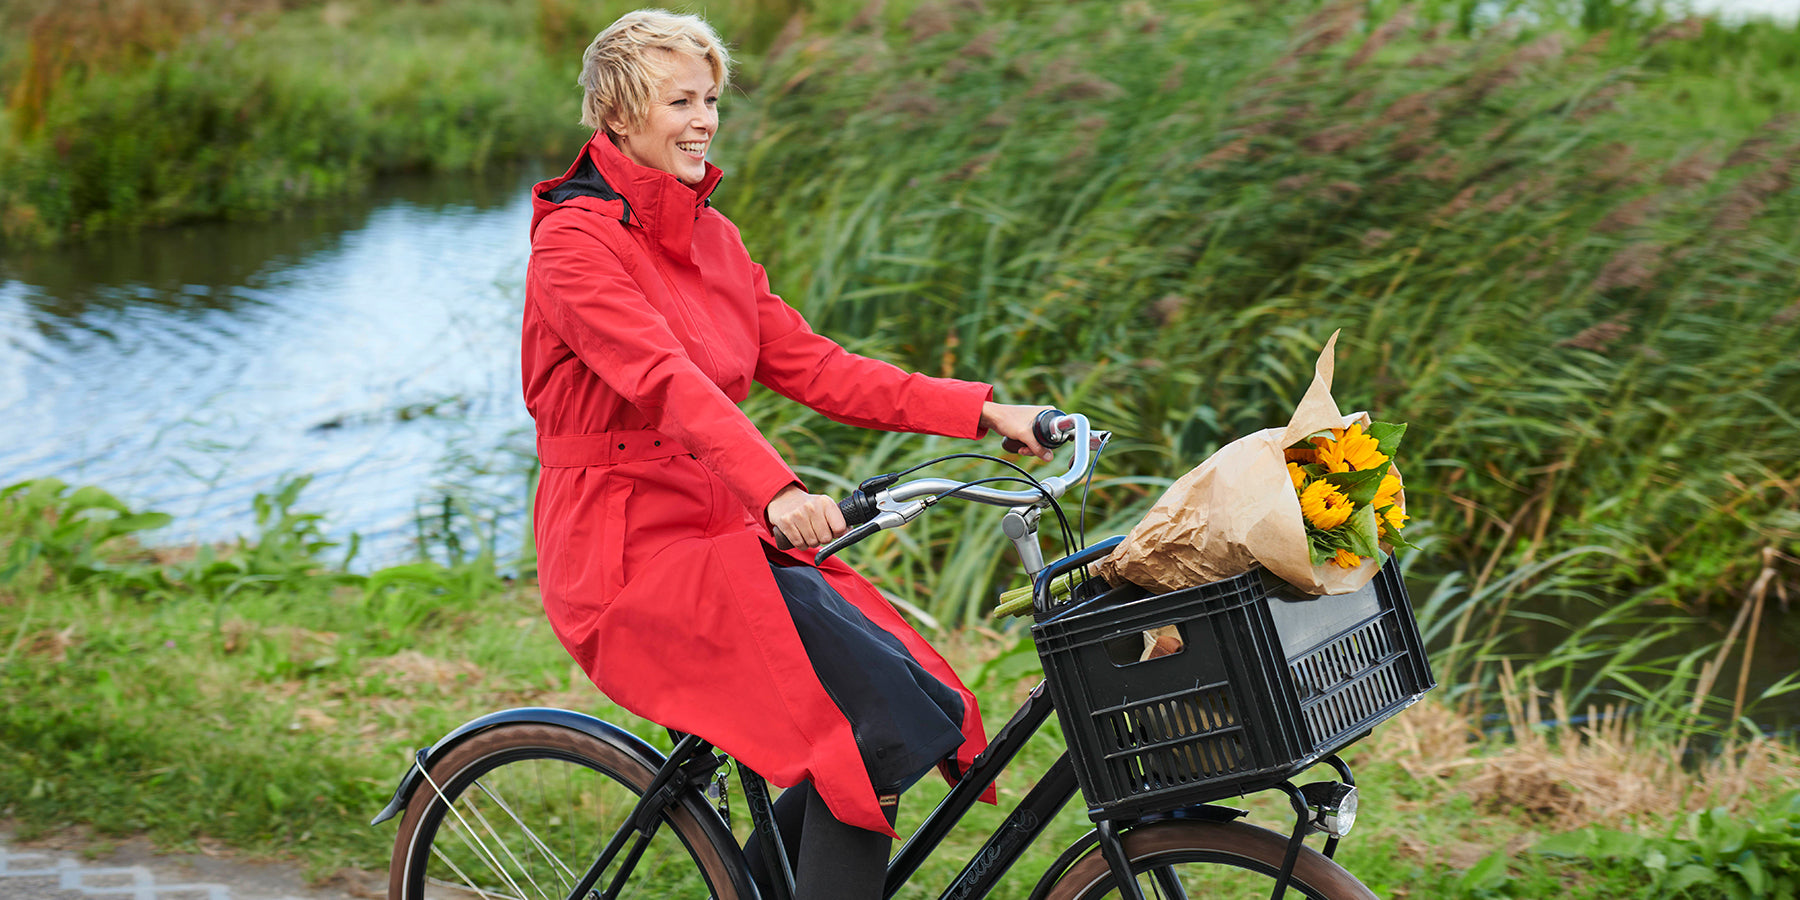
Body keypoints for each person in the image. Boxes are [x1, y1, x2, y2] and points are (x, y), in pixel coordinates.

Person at [521, 9, 1055, 899]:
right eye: (679, 100)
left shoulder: (711, 239)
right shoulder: (573, 245)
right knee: (868, 730)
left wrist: (985, 411)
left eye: (711, 99)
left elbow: (816, 366)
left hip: (719, 535)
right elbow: (665, 381)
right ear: (616, 116)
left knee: (915, 704)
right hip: (626, 559)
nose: (703, 120)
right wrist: (776, 490)